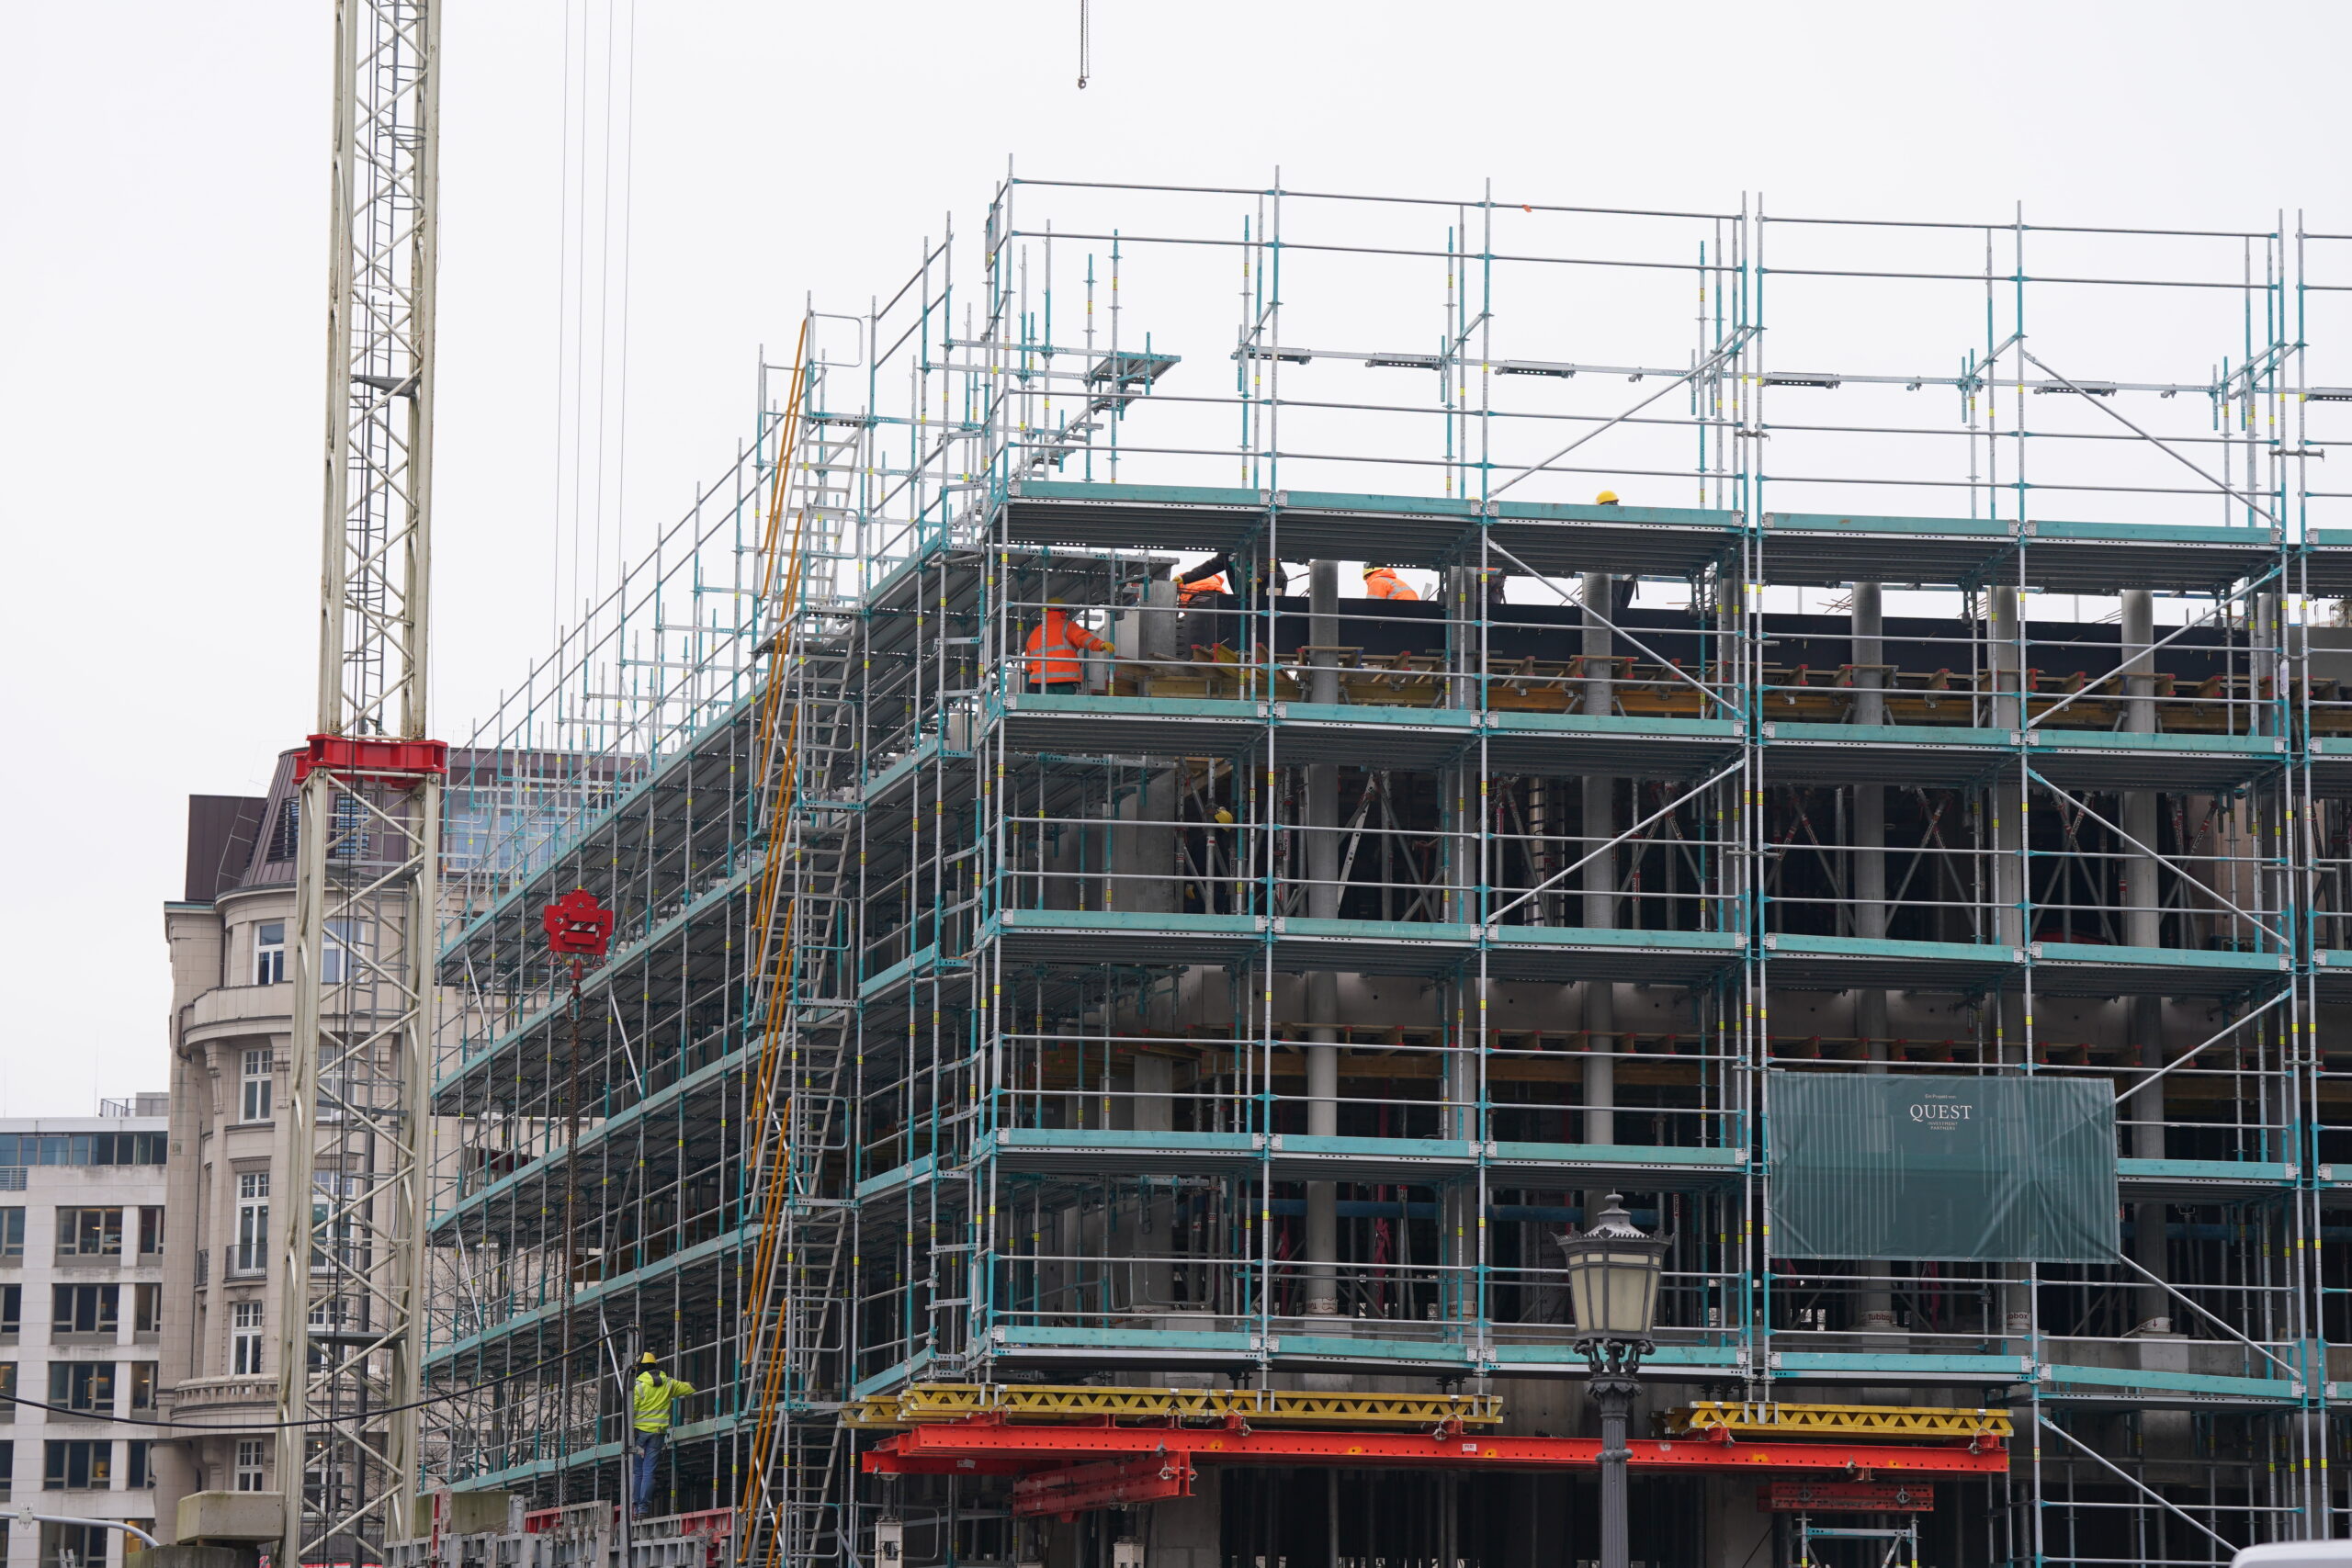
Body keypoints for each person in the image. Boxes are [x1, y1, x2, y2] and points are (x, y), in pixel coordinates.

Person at [630, 1352, 695, 1515]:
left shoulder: (638, 1386)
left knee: (638, 1472)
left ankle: (636, 1506)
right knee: (648, 1472)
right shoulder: (668, 1384)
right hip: (658, 1434)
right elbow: (690, 1388)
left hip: (639, 1435)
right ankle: (643, 1508)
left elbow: (631, 1412)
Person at [1023, 596, 1111, 692]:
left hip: (1039, 683)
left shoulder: (1035, 632)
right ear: (1062, 612)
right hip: (1065, 682)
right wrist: (1101, 645)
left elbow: (1028, 665)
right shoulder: (1067, 626)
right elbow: (1084, 638)